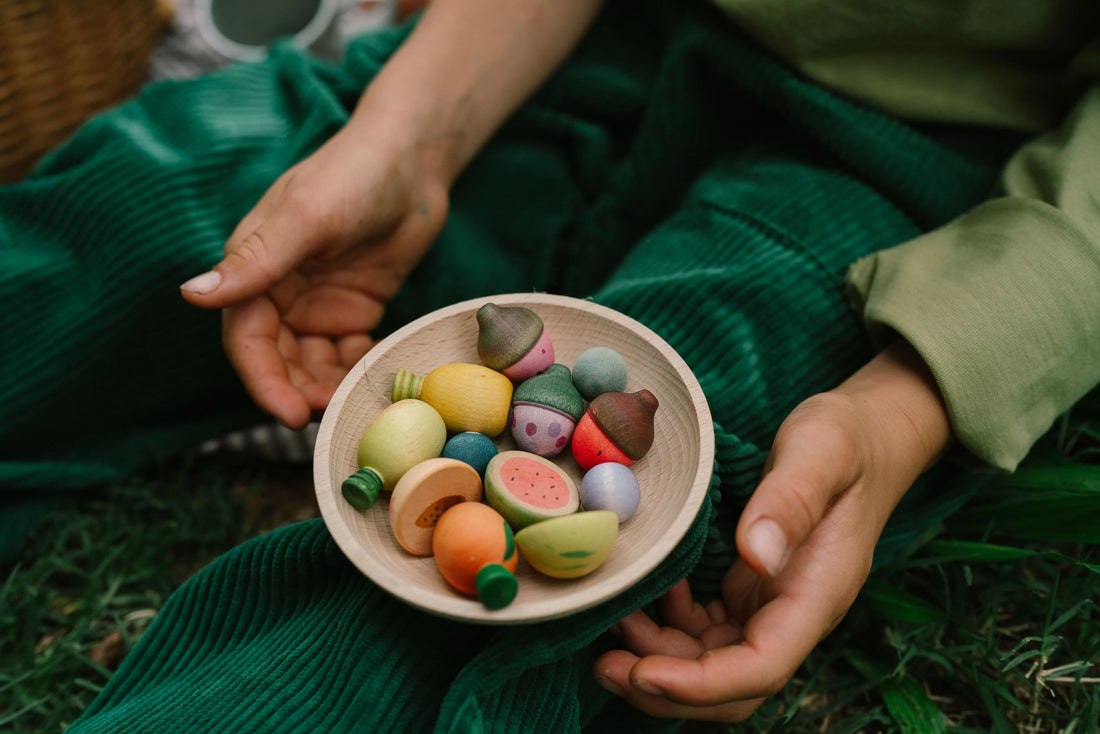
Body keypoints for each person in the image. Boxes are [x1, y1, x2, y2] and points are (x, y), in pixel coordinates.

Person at [3, 0, 1097, 730]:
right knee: (137, 227)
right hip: (570, 41)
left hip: (897, 157)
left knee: (490, 609)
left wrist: (904, 400)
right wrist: (410, 138)